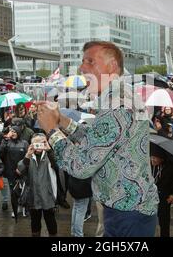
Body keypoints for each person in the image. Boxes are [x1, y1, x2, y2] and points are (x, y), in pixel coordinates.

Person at [37, 41, 159, 237]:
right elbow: (98, 140)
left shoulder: (117, 106)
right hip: (129, 209)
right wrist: (62, 120)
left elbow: (81, 166)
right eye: (82, 61)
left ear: (112, 67)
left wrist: (51, 130)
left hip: (127, 214)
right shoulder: (120, 96)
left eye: (90, 61)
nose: (82, 67)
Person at [17, 134, 58, 237]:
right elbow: (20, 170)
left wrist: (49, 150)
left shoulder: (49, 155)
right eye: (36, 143)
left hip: (48, 195)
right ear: (32, 144)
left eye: (41, 142)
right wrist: (27, 156)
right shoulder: (29, 156)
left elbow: (57, 165)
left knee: (51, 221)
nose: (39, 145)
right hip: (33, 195)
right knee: (35, 222)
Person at [0, 126, 28, 217]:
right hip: (10, 171)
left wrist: (24, 169)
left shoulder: (24, 143)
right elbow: (1, 151)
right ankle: (15, 209)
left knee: (24, 190)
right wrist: (5, 140)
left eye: (15, 131)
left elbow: (28, 156)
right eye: (12, 131)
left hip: (22, 170)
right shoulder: (7, 142)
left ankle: (24, 208)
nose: (13, 133)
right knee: (13, 191)